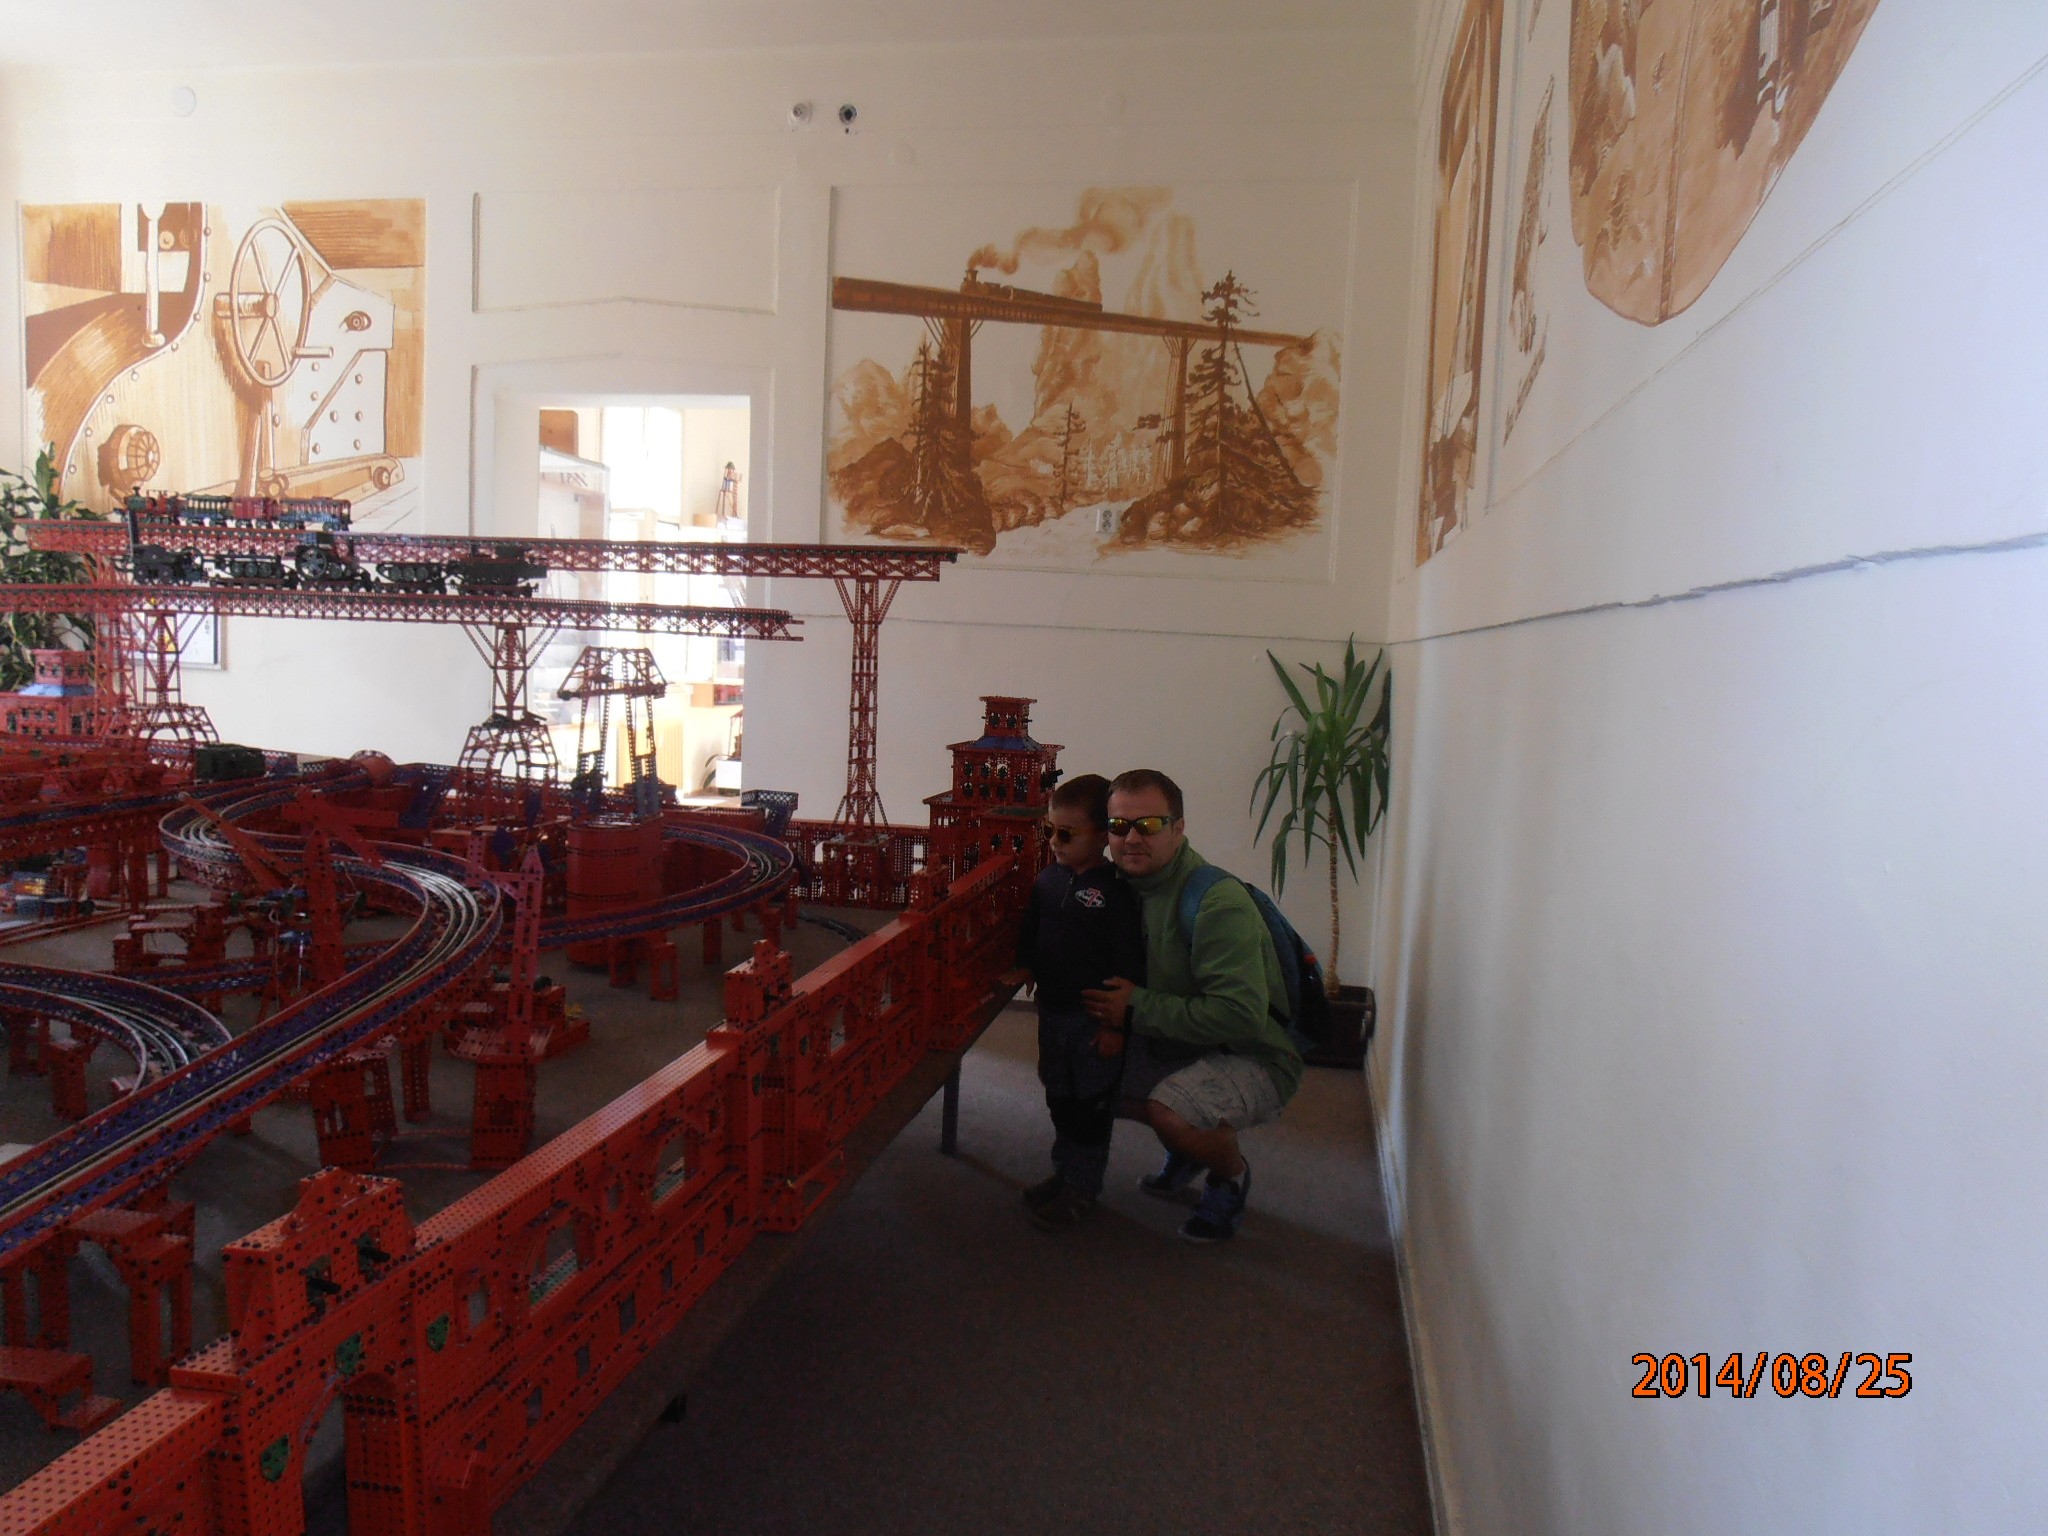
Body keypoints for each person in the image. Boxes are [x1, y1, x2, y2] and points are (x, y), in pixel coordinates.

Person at [1082, 769, 1302, 1244]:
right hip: (1181, 1040)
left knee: (1172, 1111)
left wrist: (1136, 1008)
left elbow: (1240, 1015)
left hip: (1254, 1053)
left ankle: (1228, 1174)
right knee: (1083, 1077)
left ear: (1179, 828)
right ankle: (1190, 1149)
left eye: (1149, 825)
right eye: (1119, 826)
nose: (1132, 839)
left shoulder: (1216, 902)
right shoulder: (1116, 886)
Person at [1003, 774, 1147, 1231]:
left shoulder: (1117, 891)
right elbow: (1033, 930)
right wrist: (1026, 966)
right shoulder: (1048, 880)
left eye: (1066, 834)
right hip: (1053, 1011)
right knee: (1059, 1095)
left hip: (1094, 1019)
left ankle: (1083, 1186)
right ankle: (1063, 1173)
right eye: (1049, 830)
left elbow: (1128, 963)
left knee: (1090, 1105)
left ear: (1102, 836)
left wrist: (1115, 1027)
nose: (1054, 842)